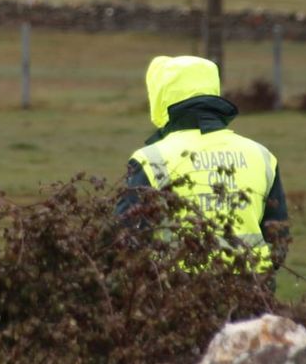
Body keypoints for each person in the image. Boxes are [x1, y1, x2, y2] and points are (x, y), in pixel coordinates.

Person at [117, 54, 289, 275]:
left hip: (176, 294)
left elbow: (125, 238)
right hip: (253, 292)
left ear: (161, 96)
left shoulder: (151, 159)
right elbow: (279, 238)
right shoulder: (261, 156)